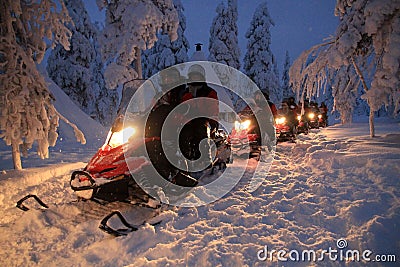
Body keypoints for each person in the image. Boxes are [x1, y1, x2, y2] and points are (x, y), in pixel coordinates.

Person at [179, 64, 219, 170]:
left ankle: (204, 160)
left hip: (203, 120)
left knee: (201, 131)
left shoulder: (209, 92)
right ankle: (185, 161)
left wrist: (213, 121)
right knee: (183, 134)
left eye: (197, 76)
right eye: (193, 76)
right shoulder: (185, 92)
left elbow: (213, 107)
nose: (194, 79)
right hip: (187, 121)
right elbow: (182, 107)